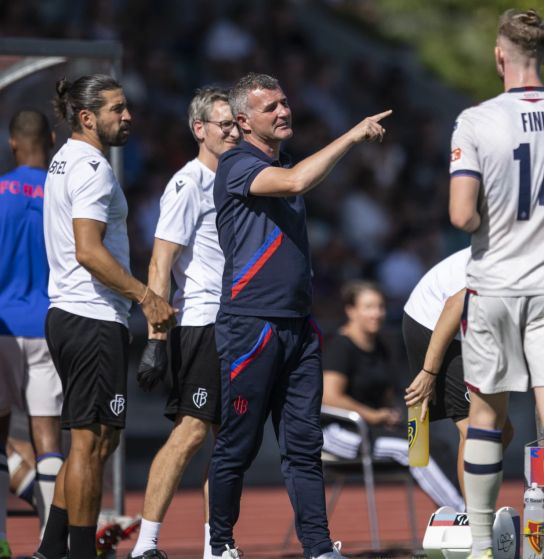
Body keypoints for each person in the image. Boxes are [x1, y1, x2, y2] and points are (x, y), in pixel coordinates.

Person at [207, 72, 390, 559]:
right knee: (238, 447)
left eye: (286, 102)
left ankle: (317, 548)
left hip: (299, 327)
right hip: (252, 325)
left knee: (305, 448)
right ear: (244, 121)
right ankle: (220, 544)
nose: (284, 111)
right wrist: (351, 134)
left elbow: (298, 177)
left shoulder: (281, 159)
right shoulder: (236, 164)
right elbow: (297, 181)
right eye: (272, 108)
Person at [448, 9, 544, 559]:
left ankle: (483, 544)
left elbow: (462, 216)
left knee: (487, 415)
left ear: (499, 56)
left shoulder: (475, 120)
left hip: (494, 284)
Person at [37, 74, 177, 559]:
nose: (128, 116)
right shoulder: (92, 167)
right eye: (117, 108)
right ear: (88, 117)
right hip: (91, 315)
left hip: (73, 315)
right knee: (89, 442)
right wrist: (147, 297)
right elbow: (88, 252)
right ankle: (77, 552)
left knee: (97, 442)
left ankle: (51, 549)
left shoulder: (63, 160)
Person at [403, 233, 544, 493]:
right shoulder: (534, 270)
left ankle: (466, 497)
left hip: (478, 330)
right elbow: (455, 305)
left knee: (502, 433)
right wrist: (428, 372)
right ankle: (470, 521)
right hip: (433, 317)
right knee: (478, 431)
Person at [129, 87, 240, 559]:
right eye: (225, 125)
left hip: (237, 321)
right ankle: (145, 544)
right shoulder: (187, 184)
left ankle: (217, 546)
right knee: (192, 431)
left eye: (237, 124)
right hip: (201, 322)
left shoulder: (237, 178)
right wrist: (156, 337)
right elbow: (160, 262)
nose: (234, 131)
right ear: (200, 130)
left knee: (228, 440)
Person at [321, 281, 465, 511]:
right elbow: (329, 397)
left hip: (373, 429)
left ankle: (469, 507)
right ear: (351, 311)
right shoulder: (340, 346)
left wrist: (389, 413)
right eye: (368, 307)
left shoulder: (381, 347)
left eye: (380, 307)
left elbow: (385, 393)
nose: (377, 313)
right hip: (338, 432)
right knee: (411, 450)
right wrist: (374, 415)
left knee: (436, 444)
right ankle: (462, 513)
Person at [0, 109, 63, 559]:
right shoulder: (62, 194)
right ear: (53, 140)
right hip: (47, 325)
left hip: (1, 326)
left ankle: (0, 541)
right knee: (48, 441)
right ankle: (50, 543)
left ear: (12, 143)